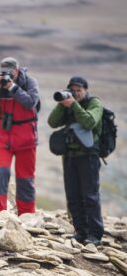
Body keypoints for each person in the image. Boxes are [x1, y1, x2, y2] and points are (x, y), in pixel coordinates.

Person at [48, 76, 104, 246]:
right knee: (73, 195)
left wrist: (74, 104)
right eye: (73, 90)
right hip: (70, 156)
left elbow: (89, 122)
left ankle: (95, 234)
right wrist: (62, 103)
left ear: (86, 90)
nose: (76, 93)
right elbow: (52, 122)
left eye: (79, 90)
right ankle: (80, 232)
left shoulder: (95, 103)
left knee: (90, 196)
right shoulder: (68, 104)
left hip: (88, 157)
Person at [0, 57, 40, 215]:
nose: (7, 75)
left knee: (25, 179)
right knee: (1, 173)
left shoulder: (30, 82)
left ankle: (27, 215)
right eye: (4, 72)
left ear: (17, 70)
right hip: (4, 138)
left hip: (26, 140)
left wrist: (13, 87)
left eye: (10, 72)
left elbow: (30, 102)